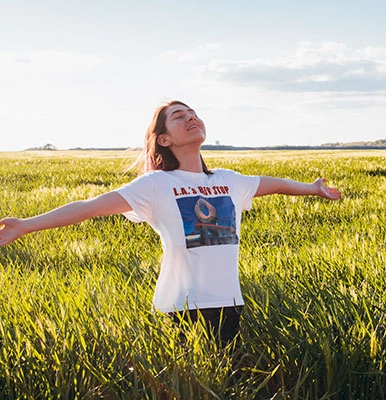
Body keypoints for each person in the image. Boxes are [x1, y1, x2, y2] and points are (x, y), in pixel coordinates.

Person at [0, 100, 341, 345]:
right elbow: (91, 207)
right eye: (180, 117)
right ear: (164, 139)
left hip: (229, 303)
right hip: (182, 307)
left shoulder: (230, 180)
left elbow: (276, 183)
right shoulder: (155, 184)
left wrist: (313, 189)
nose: (191, 118)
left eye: (194, 114)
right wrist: (26, 225)